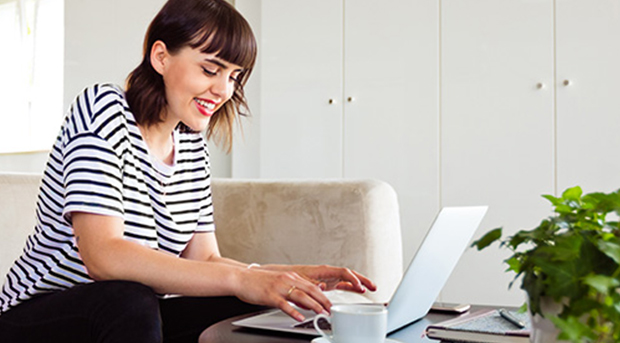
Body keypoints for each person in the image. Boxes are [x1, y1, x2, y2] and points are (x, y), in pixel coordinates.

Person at [0, 0, 376, 342]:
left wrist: (283, 279)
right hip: (33, 316)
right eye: (210, 69)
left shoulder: (192, 144)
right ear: (161, 57)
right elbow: (104, 256)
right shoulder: (102, 108)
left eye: (233, 76)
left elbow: (205, 260)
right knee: (130, 298)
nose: (223, 89)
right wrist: (244, 278)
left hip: (127, 317)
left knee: (255, 305)